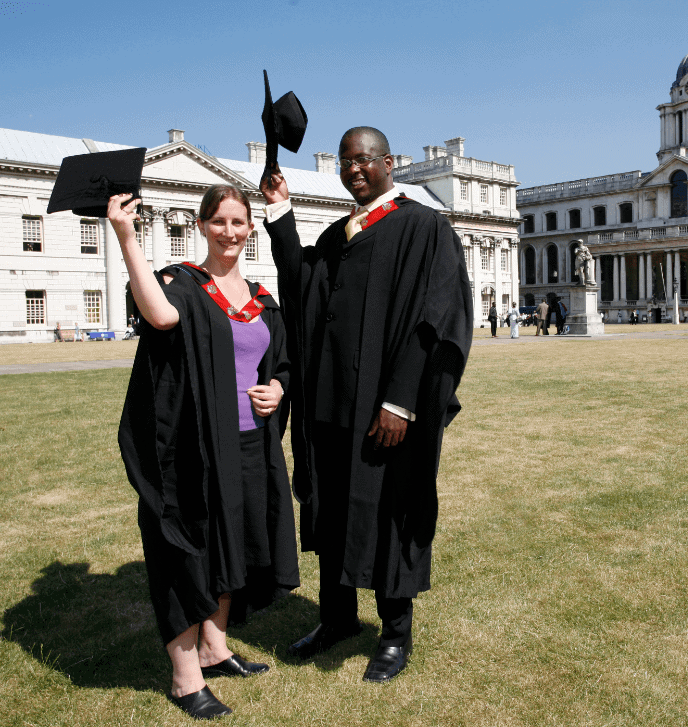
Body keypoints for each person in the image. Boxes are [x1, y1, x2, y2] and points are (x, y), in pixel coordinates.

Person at [260, 126, 472, 684]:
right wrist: (280, 212)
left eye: (364, 160)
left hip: (383, 409)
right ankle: (337, 620)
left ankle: (395, 634)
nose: (354, 169)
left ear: (389, 163)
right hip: (330, 404)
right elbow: (302, 287)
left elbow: (436, 320)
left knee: (386, 511)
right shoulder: (337, 235)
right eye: (346, 162)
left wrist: (401, 403)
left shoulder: (423, 228)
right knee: (330, 507)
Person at [108, 185, 299, 720]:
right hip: (192, 447)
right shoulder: (183, 283)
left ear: (250, 229)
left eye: (239, 222)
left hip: (248, 443)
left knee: (229, 543)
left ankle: (215, 648)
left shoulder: (261, 298)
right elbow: (160, 318)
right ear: (202, 225)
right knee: (186, 552)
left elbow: (282, 362)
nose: (230, 232)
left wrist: (279, 388)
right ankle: (184, 676)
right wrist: (126, 234)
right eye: (219, 222)